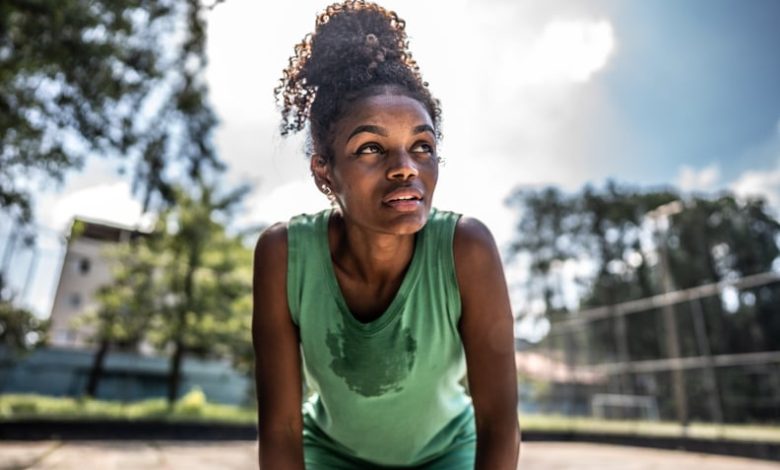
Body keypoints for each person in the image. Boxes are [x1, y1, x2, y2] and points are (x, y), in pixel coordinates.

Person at [252, 1, 520, 468]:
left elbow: (498, 423)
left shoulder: (467, 249)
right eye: (371, 148)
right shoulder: (283, 255)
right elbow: (280, 429)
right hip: (331, 456)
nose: (405, 169)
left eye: (422, 146)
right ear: (324, 173)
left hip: (447, 453)